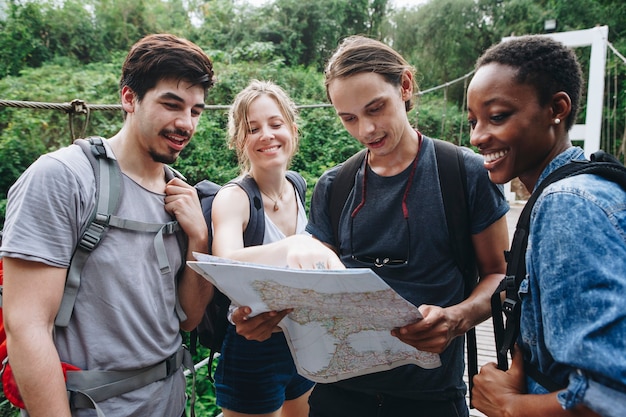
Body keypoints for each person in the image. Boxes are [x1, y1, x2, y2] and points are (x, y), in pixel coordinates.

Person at [232, 35, 510, 417]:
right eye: (348, 118)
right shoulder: (334, 186)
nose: (365, 130)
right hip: (337, 396)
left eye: (375, 108)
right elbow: (315, 289)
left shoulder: (463, 174)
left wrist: (458, 317)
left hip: (430, 399)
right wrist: (270, 319)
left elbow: (499, 273)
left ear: (406, 86)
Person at [0, 33, 215, 417]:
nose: (186, 123)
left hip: (170, 402)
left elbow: (188, 319)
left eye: (196, 111)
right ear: (129, 98)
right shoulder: (63, 177)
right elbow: (27, 326)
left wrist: (198, 236)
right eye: (171, 104)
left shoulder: (178, 192)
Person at [467, 35, 626, 417]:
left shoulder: (565, 204)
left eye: (498, 116)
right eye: (473, 121)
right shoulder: (597, 186)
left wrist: (507, 407)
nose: (477, 137)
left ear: (557, 108)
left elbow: (611, 397)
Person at [210, 80, 315, 417]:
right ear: (240, 141)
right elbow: (224, 263)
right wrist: (294, 246)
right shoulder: (235, 198)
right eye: (253, 128)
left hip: (301, 341)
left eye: (275, 124)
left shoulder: (297, 186)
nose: (267, 135)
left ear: (293, 130)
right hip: (254, 346)